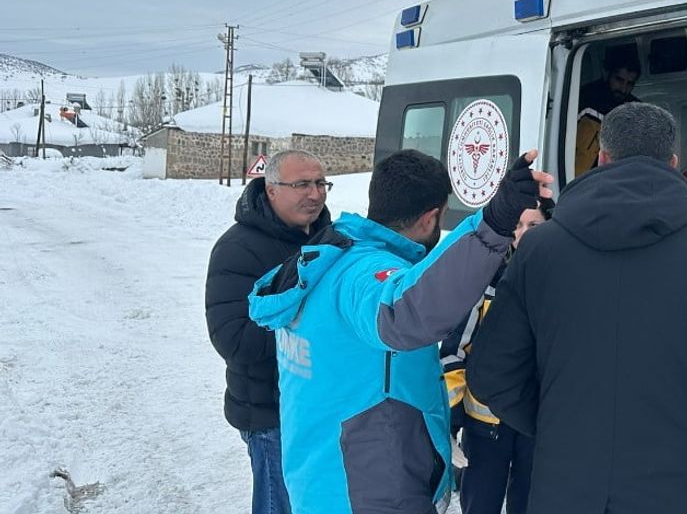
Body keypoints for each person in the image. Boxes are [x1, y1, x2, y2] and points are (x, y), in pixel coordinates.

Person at [469, 102, 687, 514]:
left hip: (566, 489)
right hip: (684, 491)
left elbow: (490, 373)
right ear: (674, 162)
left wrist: (557, 428)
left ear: (602, 159)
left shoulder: (539, 249)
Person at [247, 148, 551, 514]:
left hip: (328, 483)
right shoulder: (362, 272)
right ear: (430, 218)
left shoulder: (330, 256)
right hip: (370, 491)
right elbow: (404, 311)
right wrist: (494, 223)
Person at [206, 149, 332, 514]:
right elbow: (234, 338)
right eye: (302, 184)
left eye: (320, 183)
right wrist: (312, 331)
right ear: (271, 189)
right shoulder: (237, 249)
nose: (315, 194)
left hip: (318, 407)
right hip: (271, 414)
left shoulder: (328, 239)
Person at [441, 198, 553, 514]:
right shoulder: (485, 281)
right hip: (486, 423)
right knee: (480, 504)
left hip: (536, 423)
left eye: (534, 225)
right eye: (518, 225)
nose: (525, 233)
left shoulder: (562, 283)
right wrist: (451, 418)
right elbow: (454, 351)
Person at [574, 46, 642, 176]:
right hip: (578, 177)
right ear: (606, 73)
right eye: (619, 80)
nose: (623, 88)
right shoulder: (582, 98)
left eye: (630, 84)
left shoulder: (635, 109)